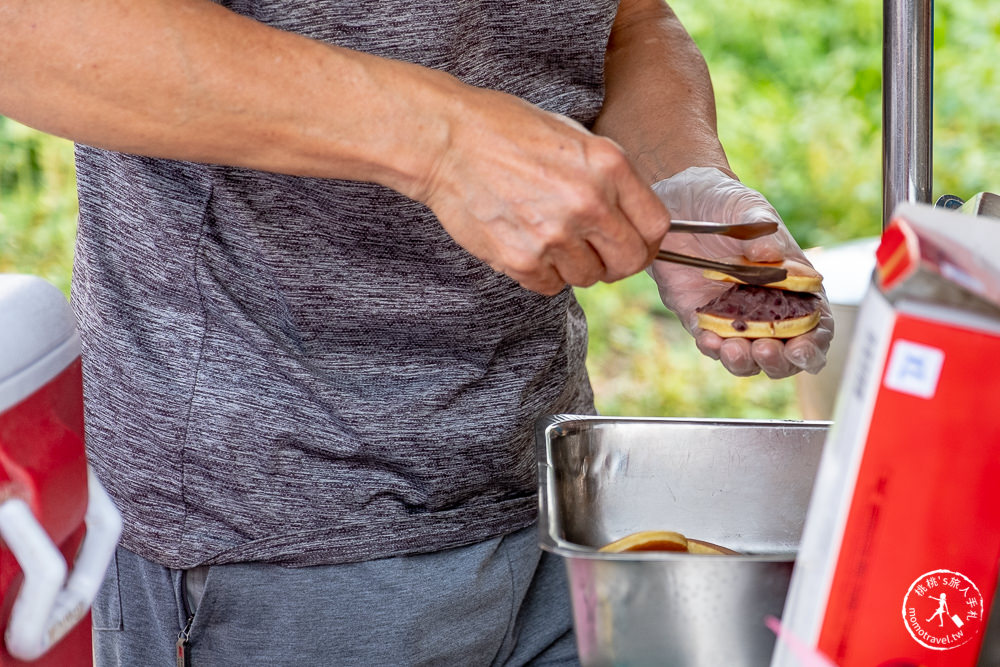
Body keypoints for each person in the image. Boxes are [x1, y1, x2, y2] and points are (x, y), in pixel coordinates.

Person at [2, 0, 832, 664]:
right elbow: (32, 30)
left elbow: (627, 24)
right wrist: (439, 141)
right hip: (275, 548)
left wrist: (680, 180)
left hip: (546, 488)